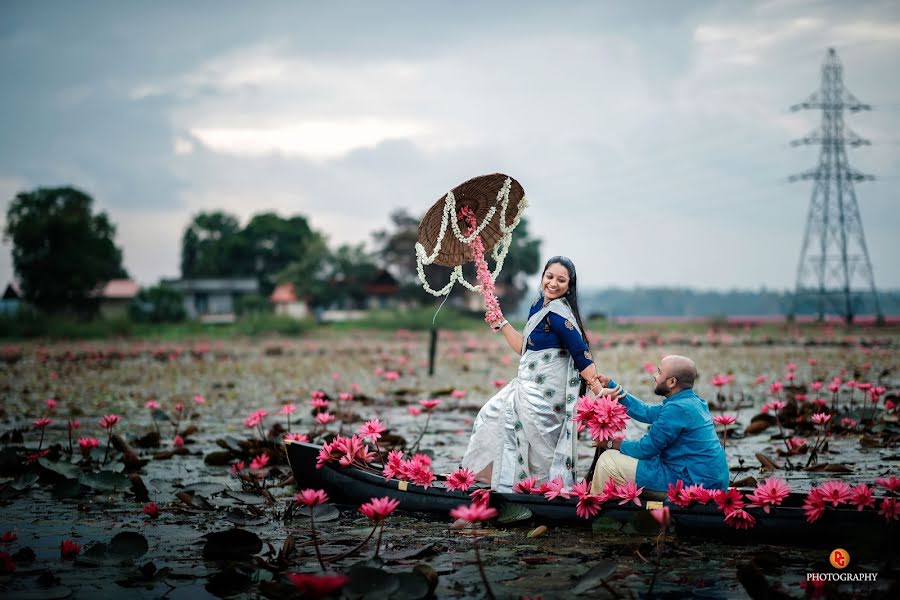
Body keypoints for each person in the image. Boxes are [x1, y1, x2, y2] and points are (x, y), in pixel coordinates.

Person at [461, 256, 615, 492]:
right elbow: (524, 349)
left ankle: (540, 491)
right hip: (525, 385)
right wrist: (501, 323)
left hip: (545, 395)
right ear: (542, 277)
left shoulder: (561, 316)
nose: (553, 283)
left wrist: (598, 390)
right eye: (549, 276)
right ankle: (496, 481)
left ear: (569, 286)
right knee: (490, 415)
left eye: (561, 280)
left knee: (537, 448)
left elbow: (581, 354)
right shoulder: (537, 307)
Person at [591, 355, 729, 494]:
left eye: (659, 372)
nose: (654, 376)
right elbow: (646, 411)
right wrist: (611, 385)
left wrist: (610, 444)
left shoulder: (677, 409)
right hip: (712, 481)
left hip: (692, 484)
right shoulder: (694, 402)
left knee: (607, 461)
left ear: (672, 382)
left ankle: (597, 507)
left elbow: (645, 449)